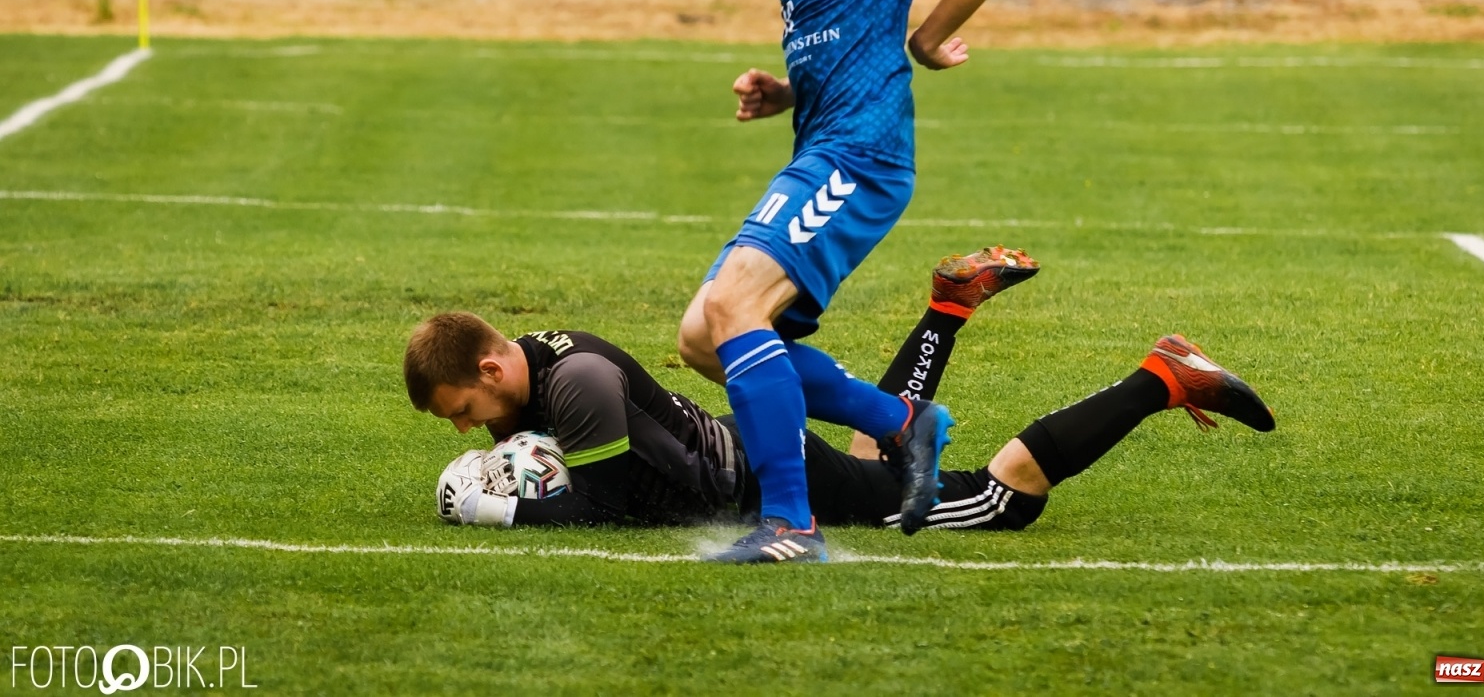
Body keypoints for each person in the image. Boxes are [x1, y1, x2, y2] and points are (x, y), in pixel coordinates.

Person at [672, 0, 1020, 562]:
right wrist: (787, 92)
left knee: (732, 311)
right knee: (701, 336)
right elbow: (848, 41)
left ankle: (791, 527)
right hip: (823, 145)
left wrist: (927, 41)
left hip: (861, 156)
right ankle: (904, 421)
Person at [410, 248, 1278, 545]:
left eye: (462, 412)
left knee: (996, 500)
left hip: (760, 480)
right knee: (880, 457)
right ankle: (945, 308)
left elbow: (603, 508)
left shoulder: (580, 385)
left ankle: (1160, 379)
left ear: (492, 372)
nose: (469, 429)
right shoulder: (547, 362)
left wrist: (495, 510)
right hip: (761, 455)